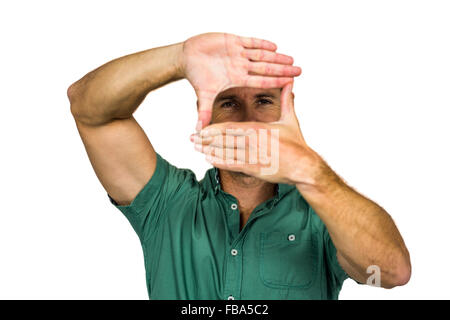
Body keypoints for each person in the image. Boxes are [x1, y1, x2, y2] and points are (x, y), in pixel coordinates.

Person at [68, 32, 411, 300]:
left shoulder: (323, 215)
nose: (247, 120)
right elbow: (89, 109)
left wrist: (309, 171)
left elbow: (391, 273)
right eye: (229, 102)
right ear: (205, 115)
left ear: (288, 111)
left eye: (264, 101)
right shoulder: (166, 204)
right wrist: (178, 59)